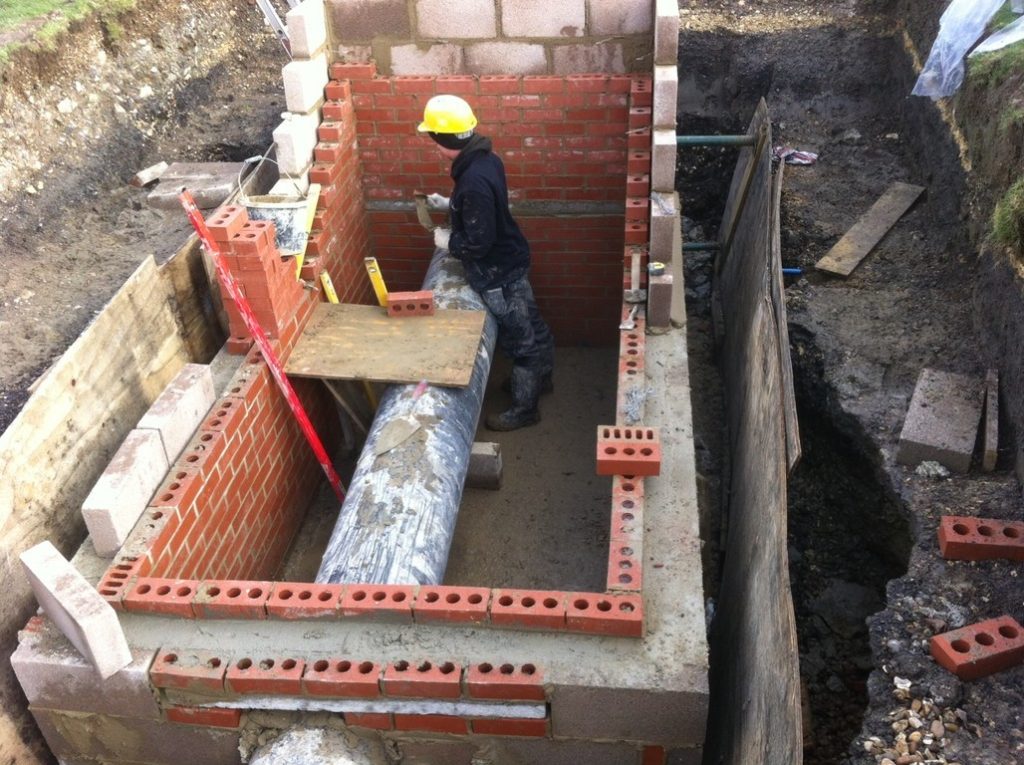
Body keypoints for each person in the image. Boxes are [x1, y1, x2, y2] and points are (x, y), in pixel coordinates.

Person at [417, 94, 555, 432]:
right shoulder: (486, 159)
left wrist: (449, 241)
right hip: (511, 259)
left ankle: (526, 408)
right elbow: (486, 205)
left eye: (434, 139)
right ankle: (540, 380)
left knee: (521, 341)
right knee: (532, 324)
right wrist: (451, 203)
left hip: (499, 274)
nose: (433, 146)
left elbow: (479, 242)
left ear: (445, 140)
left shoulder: (473, 180)